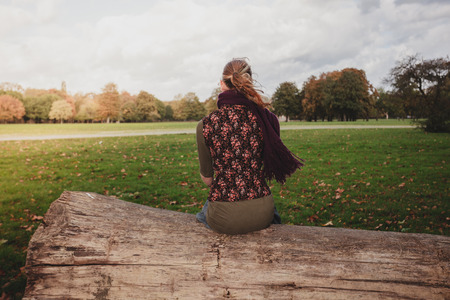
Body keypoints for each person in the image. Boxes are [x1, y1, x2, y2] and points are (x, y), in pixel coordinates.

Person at [196, 58, 303, 234]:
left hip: (225, 218)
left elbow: (208, 180)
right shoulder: (267, 119)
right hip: (263, 212)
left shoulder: (205, 125)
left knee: (203, 213)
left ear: (222, 84)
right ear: (248, 82)